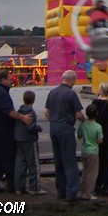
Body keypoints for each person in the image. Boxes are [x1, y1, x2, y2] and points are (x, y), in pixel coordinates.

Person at [0, 70, 33, 194]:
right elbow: (9, 111)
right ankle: (12, 184)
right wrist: (23, 118)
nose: (12, 81)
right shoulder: (2, 92)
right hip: (1, 128)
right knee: (8, 155)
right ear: (3, 80)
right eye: (10, 79)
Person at [45, 70, 85, 201]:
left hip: (54, 126)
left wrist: (53, 120)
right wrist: (84, 121)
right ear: (72, 79)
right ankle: (71, 193)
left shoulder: (52, 92)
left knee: (58, 161)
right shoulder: (71, 94)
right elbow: (79, 114)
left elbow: (46, 112)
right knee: (69, 161)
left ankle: (60, 191)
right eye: (74, 81)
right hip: (65, 128)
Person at [14, 90, 46, 196]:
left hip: (19, 139)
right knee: (33, 164)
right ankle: (34, 187)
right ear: (33, 100)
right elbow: (30, 127)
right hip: (29, 140)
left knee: (20, 164)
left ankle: (19, 187)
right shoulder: (31, 112)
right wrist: (38, 128)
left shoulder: (19, 111)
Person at [77, 103, 104, 201]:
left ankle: (80, 192)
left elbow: (79, 136)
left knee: (84, 172)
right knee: (92, 174)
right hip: (93, 152)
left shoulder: (83, 124)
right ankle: (88, 194)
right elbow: (100, 141)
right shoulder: (98, 127)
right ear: (97, 114)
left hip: (84, 150)